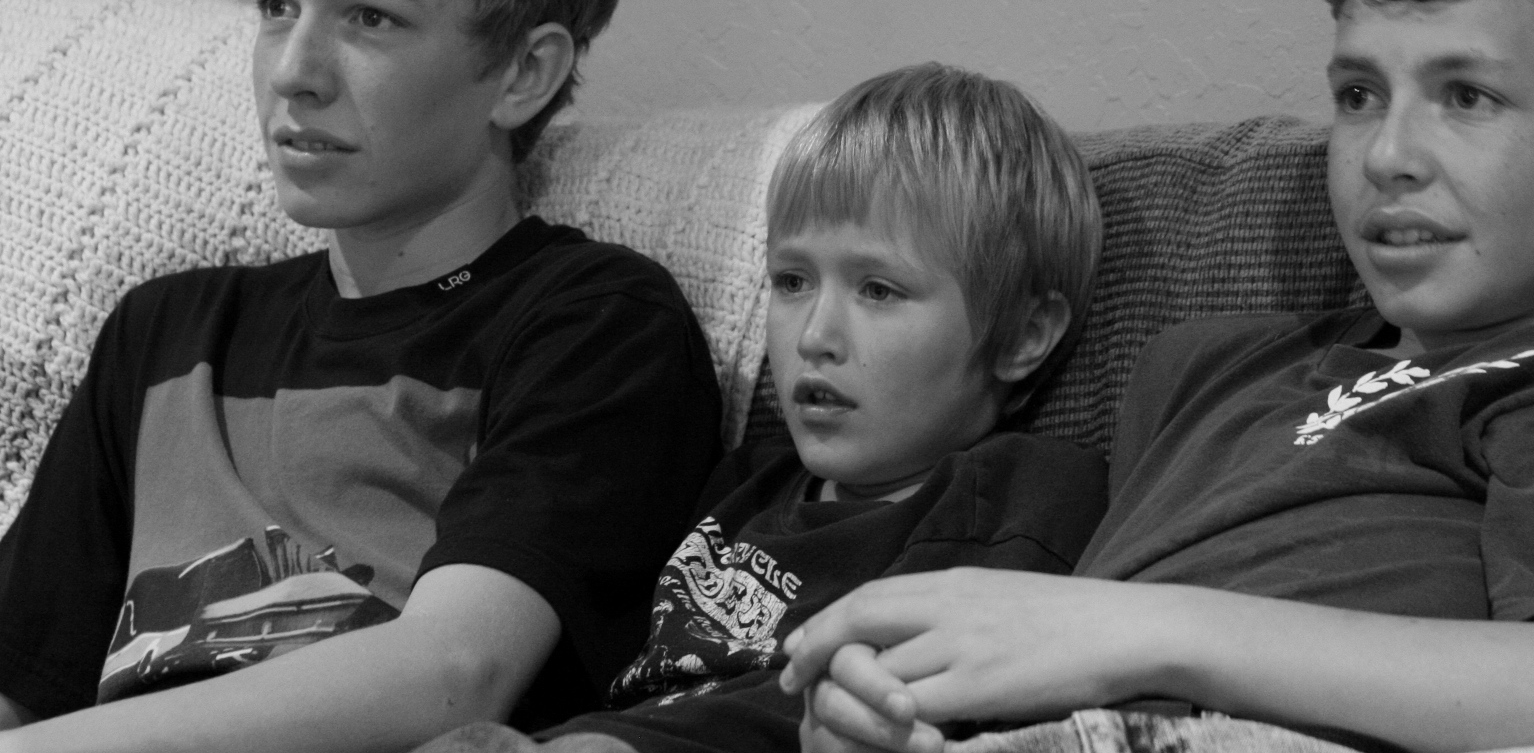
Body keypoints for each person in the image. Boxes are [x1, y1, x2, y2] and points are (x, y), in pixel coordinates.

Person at [779, 0, 1534, 753]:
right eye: (1358, 95)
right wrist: (879, 717)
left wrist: (1151, 631)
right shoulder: (1206, 367)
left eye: (1467, 97)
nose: (1387, 155)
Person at [0, 0, 723, 752]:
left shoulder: (596, 324)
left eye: (370, 18)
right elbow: (23, 689)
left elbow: (454, 673)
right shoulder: (164, 335)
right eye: (275, 6)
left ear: (523, 74)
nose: (294, 71)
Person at [421, 63, 1111, 753]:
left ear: (1024, 336)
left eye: (878, 290)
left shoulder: (1026, 495)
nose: (814, 336)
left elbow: (900, 697)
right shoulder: (744, 485)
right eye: (791, 281)